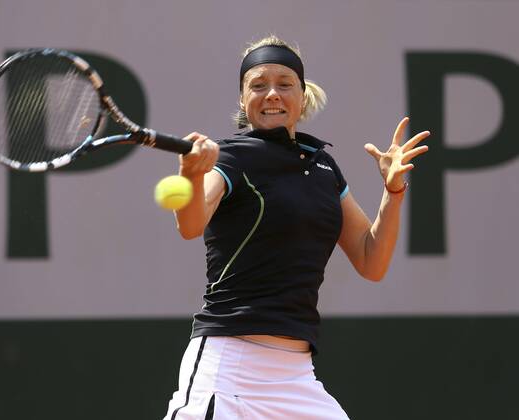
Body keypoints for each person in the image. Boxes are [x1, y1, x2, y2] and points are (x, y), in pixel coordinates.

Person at [163, 35, 430, 420]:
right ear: (242, 99)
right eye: (258, 85)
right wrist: (190, 173)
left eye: (284, 84)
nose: (272, 94)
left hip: (296, 374)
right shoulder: (230, 157)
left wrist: (393, 191)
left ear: (302, 97)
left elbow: (372, 261)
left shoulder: (323, 167)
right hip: (228, 365)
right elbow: (190, 225)